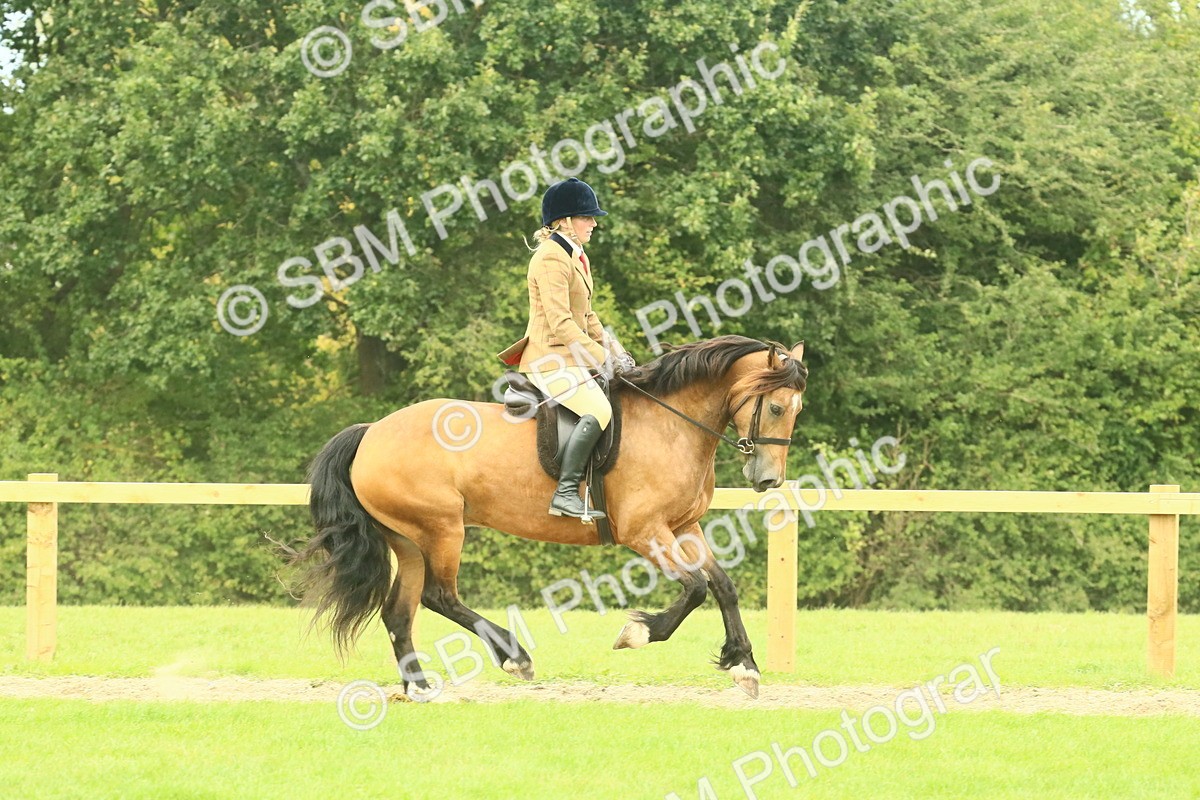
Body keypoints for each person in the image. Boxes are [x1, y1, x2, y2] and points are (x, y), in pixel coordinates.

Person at [497, 177, 636, 521]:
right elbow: (561, 323)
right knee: (599, 411)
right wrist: (603, 359)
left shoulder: (574, 255)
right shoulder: (550, 259)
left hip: (569, 356)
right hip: (549, 358)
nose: (594, 223)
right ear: (564, 222)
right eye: (586, 217)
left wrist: (616, 350)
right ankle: (565, 493)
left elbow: (587, 316)